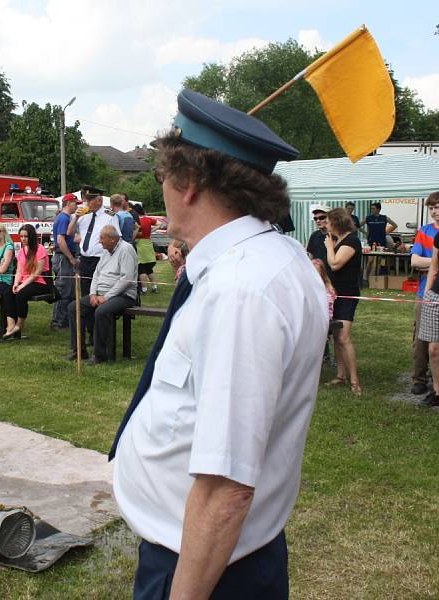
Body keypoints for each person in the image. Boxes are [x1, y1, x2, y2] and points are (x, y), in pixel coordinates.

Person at [111, 89, 327, 599]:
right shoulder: (266, 258)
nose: (160, 189)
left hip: (203, 567)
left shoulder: (241, 291)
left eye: (162, 177)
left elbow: (227, 488)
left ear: (187, 183)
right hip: (221, 555)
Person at [68, 225, 137, 364]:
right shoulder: (106, 251)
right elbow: (96, 274)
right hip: (101, 294)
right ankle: (79, 351)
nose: (99, 241)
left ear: (112, 239)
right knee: (73, 307)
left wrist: (106, 297)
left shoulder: (126, 249)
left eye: (102, 238)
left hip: (124, 296)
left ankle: (100, 355)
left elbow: (126, 279)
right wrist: (93, 293)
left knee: (101, 311)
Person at [325, 207, 363, 395]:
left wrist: (329, 247)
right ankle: (341, 375)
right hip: (335, 295)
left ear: (337, 223)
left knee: (344, 338)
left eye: (328, 222)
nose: (326, 225)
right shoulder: (338, 240)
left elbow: (335, 263)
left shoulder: (351, 241)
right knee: (336, 337)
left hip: (347, 295)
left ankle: (355, 381)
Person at [409, 191, 439, 395]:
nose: (435, 211)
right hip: (425, 292)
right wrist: (435, 262)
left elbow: (422, 262)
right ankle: (419, 379)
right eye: (431, 208)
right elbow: (414, 261)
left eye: (438, 207)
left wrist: (428, 263)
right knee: (421, 338)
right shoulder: (424, 231)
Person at [67, 185, 120, 296]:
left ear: (99, 201)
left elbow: (117, 238)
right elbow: (69, 233)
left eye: (89, 200)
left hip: (101, 259)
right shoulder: (82, 215)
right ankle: (87, 313)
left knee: (99, 291)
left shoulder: (109, 216)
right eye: (85, 200)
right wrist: (76, 217)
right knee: (86, 292)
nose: (86, 203)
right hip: (85, 260)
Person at [2, 224, 51, 340]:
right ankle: (10, 326)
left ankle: (19, 325)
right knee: (8, 293)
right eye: (21, 236)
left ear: (32, 237)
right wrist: (15, 284)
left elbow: (37, 273)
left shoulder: (40, 249)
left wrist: (22, 286)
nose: (23, 239)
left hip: (41, 282)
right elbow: (19, 270)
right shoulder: (21, 251)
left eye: (26, 236)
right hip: (25, 281)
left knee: (21, 294)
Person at [416, 226, 439, 408]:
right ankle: (437, 392)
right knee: (433, 349)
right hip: (435, 296)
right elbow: (433, 267)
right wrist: (427, 294)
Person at [50, 194, 79, 330]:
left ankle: (64, 320)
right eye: (75, 203)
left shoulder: (65, 218)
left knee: (69, 290)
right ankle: (57, 322)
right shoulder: (63, 218)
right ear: (68, 203)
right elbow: (61, 241)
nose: (77, 206)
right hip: (63, 257)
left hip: (64, 257)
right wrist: (71, 258)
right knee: (63, 290)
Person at [133, 204, 160, 294]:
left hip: (139, 244)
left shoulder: (136, 220)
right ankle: (154, 287)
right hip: (148, 243)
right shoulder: (148, 219)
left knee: (141, 269)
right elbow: (161, 224)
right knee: (149, 269)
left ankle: (144, 289)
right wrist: (151, 231)